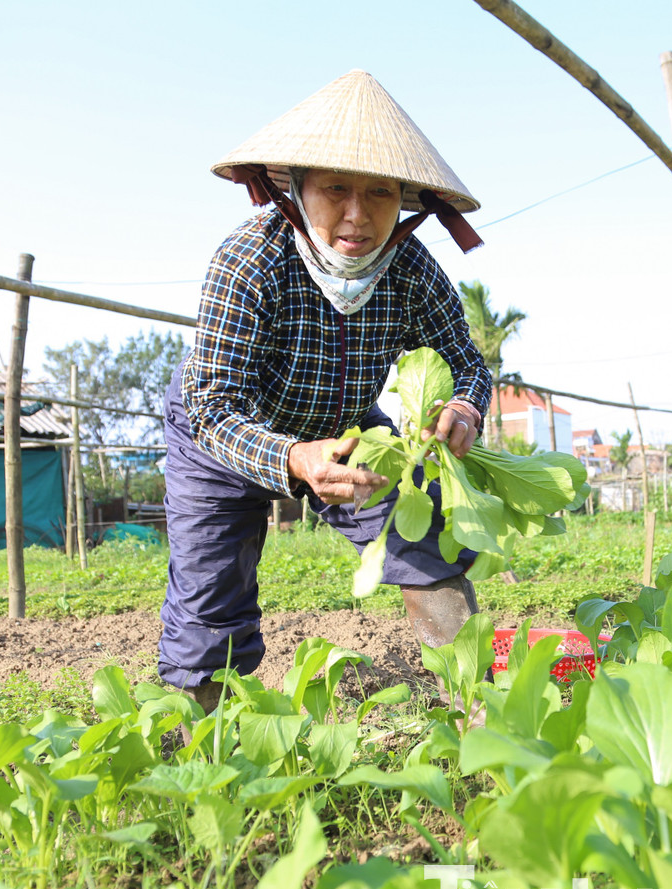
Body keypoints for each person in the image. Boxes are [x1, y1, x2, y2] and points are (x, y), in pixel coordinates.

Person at [159, 70, 492, 714]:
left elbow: (466, 362)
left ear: (404, 201)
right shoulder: (251, 260)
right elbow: (211, 406)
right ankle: (202, 739)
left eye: (380, 192)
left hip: (344, 430)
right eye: (336, 188)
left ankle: (473, 708)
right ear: (296, 187)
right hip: (222, 434)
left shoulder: (411, 270)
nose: (357, 215)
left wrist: (463, 405)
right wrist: (292, 456)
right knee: (209, 599)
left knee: (426, 538)